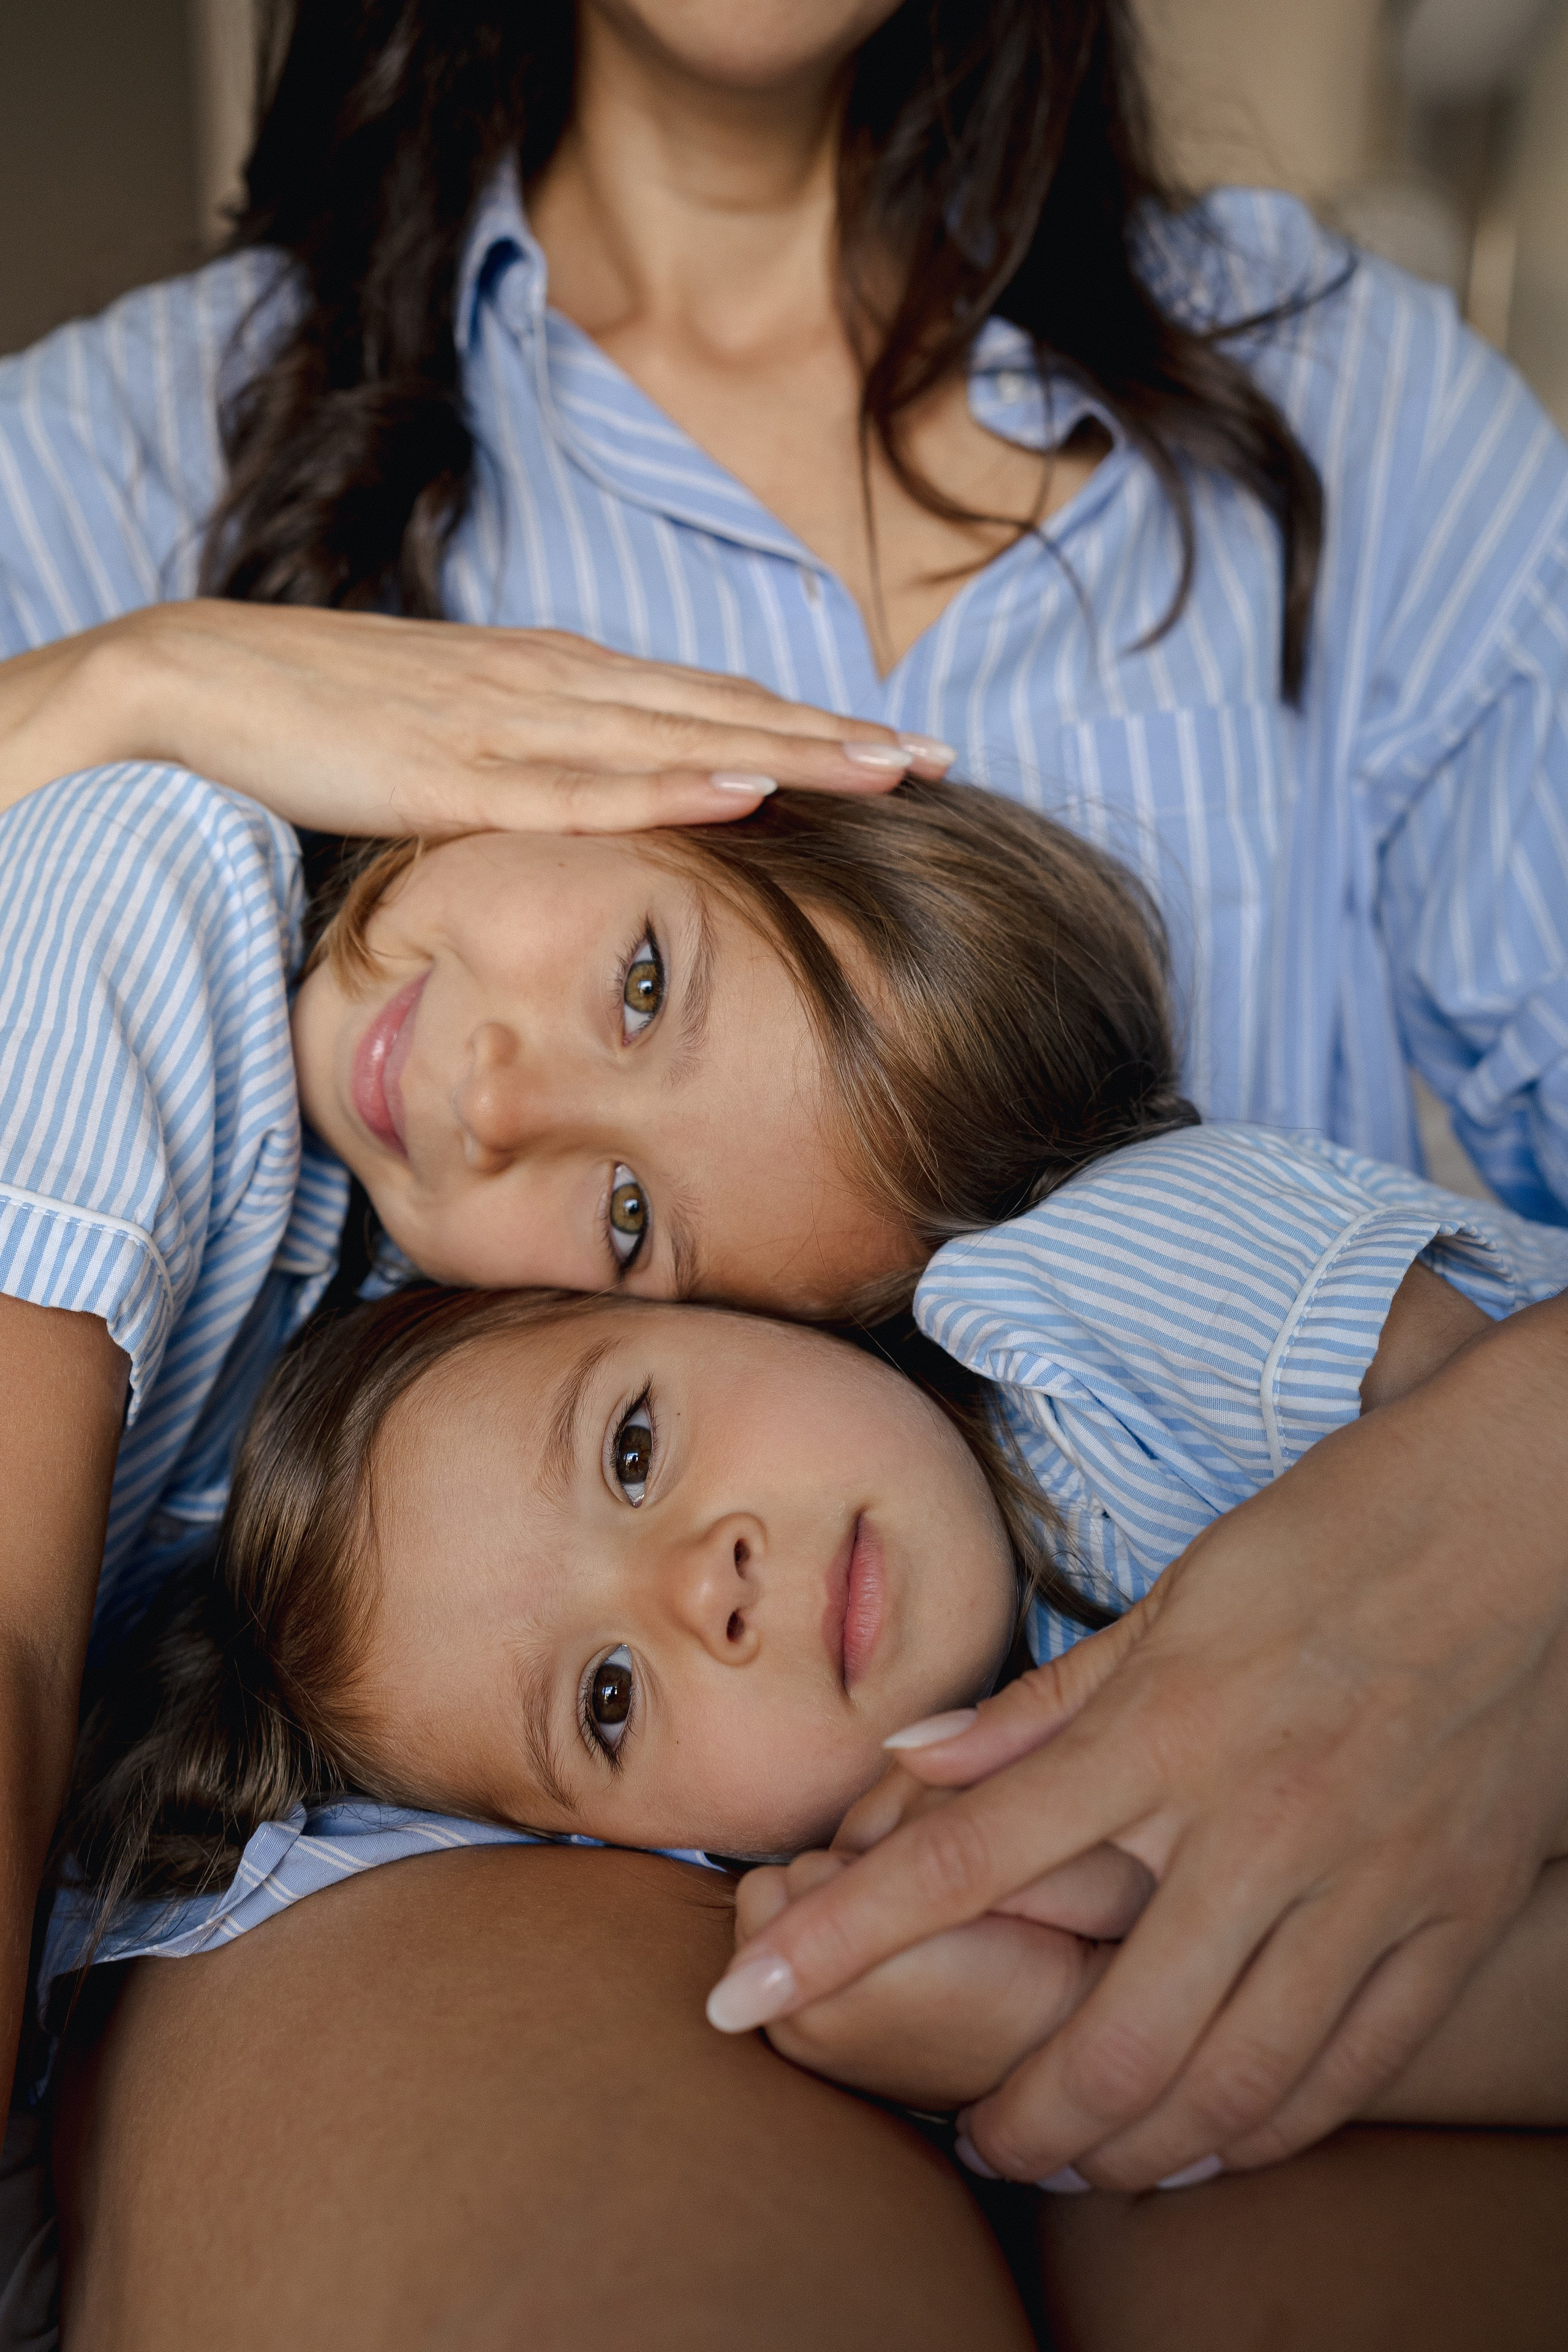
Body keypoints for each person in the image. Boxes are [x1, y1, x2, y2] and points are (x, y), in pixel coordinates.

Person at [3, 0, 1566, 2333]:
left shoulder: (1362, 414)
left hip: (1260, 1676)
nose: (507, 1102)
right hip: (413, 1851)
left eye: (644, 1011)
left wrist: (1491, 1517)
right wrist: (94, 696)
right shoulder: (119, 443)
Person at [43, 1120, 1568, 2143]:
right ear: (669, 1855)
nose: (700, 1589)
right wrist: (1055, 2016)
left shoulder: (1110, 1290)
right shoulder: (960, 1842)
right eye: (609, 1705)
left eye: (632, 1448)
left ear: (746, 1303)